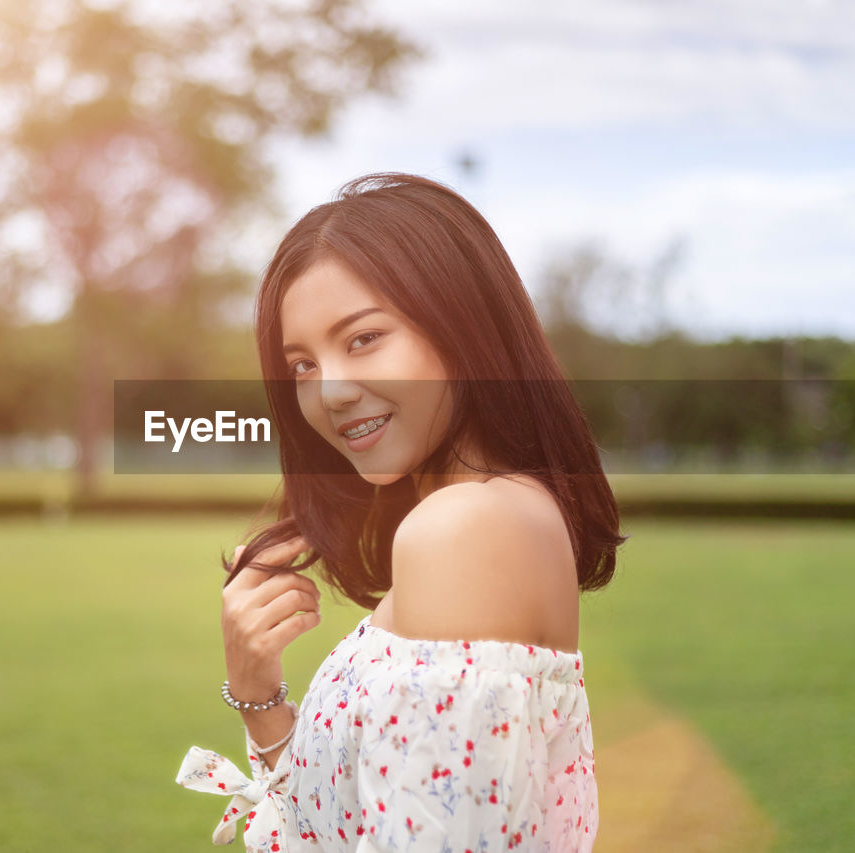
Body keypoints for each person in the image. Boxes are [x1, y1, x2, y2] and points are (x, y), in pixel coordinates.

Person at [176, 172, 626, 851]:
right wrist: (257, 692)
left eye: (362, 339)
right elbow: (349, 825)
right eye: (302, 364)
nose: (329, 391)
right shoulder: (486, 517)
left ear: (461, 325)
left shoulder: (465, 529)